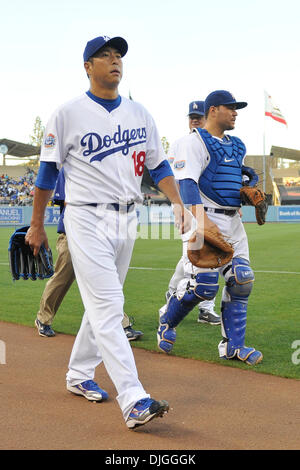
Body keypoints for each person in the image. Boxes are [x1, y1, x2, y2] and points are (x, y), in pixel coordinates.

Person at [25, 35, 191, 429]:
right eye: (105, 55)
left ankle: (79, 373)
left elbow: (160, 166)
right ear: (88, 66)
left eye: (118, 55)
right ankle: (133, 399)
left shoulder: (140, 113)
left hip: (127, 218)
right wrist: (37, 224)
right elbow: (47, 173)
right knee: (110, 308)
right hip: (85, 217)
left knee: (103, 307)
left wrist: (178, 202)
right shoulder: (68, 113)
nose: (115, 60)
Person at [157, 90, 263, 366]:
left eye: (237, 109)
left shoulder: (237, 145)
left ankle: (232, 347)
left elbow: (225, 182)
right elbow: (187, 183)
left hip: (233, 221)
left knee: (241, 280)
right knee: (203, 288)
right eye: (231, 108)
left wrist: (244, 191)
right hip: (203, 220)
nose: (235, 112)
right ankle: (167, 321)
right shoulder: (190, 142)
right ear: (213, 110)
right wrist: (201, 221)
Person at [35, 168, 144, 341]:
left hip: (100, 235)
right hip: (73, 235)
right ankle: (43, 318)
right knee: (62, 279)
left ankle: (119, 324)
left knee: (106, 281)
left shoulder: (105, 168)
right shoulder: (69, 168)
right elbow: (67, 203)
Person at [161, 100, 220, 325]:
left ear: (208, 117)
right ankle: (186, 300)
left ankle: (198, 304)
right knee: (194, 256)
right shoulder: (180, 144)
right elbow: (175, 179)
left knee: (203, 256)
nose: (195, 119)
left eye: (199, 116)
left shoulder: (217, 144)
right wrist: (179, 207)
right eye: (192, 116)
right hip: (190, 208)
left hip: (215, 210)